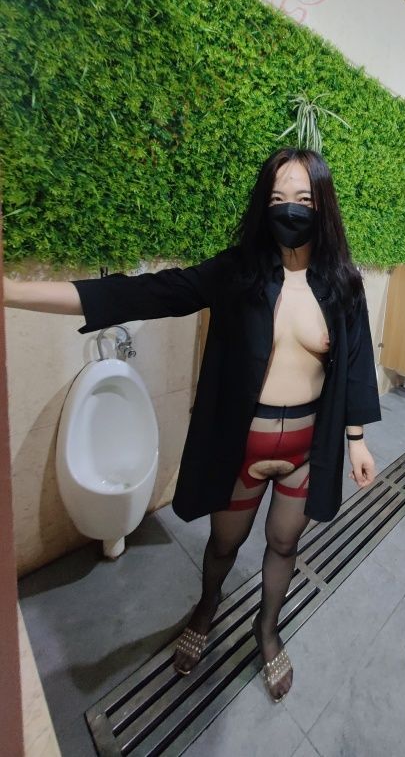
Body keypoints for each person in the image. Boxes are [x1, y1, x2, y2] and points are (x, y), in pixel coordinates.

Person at [3, 147, 381, 703]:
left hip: (308, 448)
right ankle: (206, 609)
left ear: (323, 205)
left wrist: (357, 440)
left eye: (303, 199)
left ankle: (267, 630)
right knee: (224, 544)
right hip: (242, 443)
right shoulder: (237, 273)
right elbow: (145, 293)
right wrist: (11, 291)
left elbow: (356, 366)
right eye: (277, 198)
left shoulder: (343, 284)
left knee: (284, 545)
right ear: (263, 205)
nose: (290, 209)